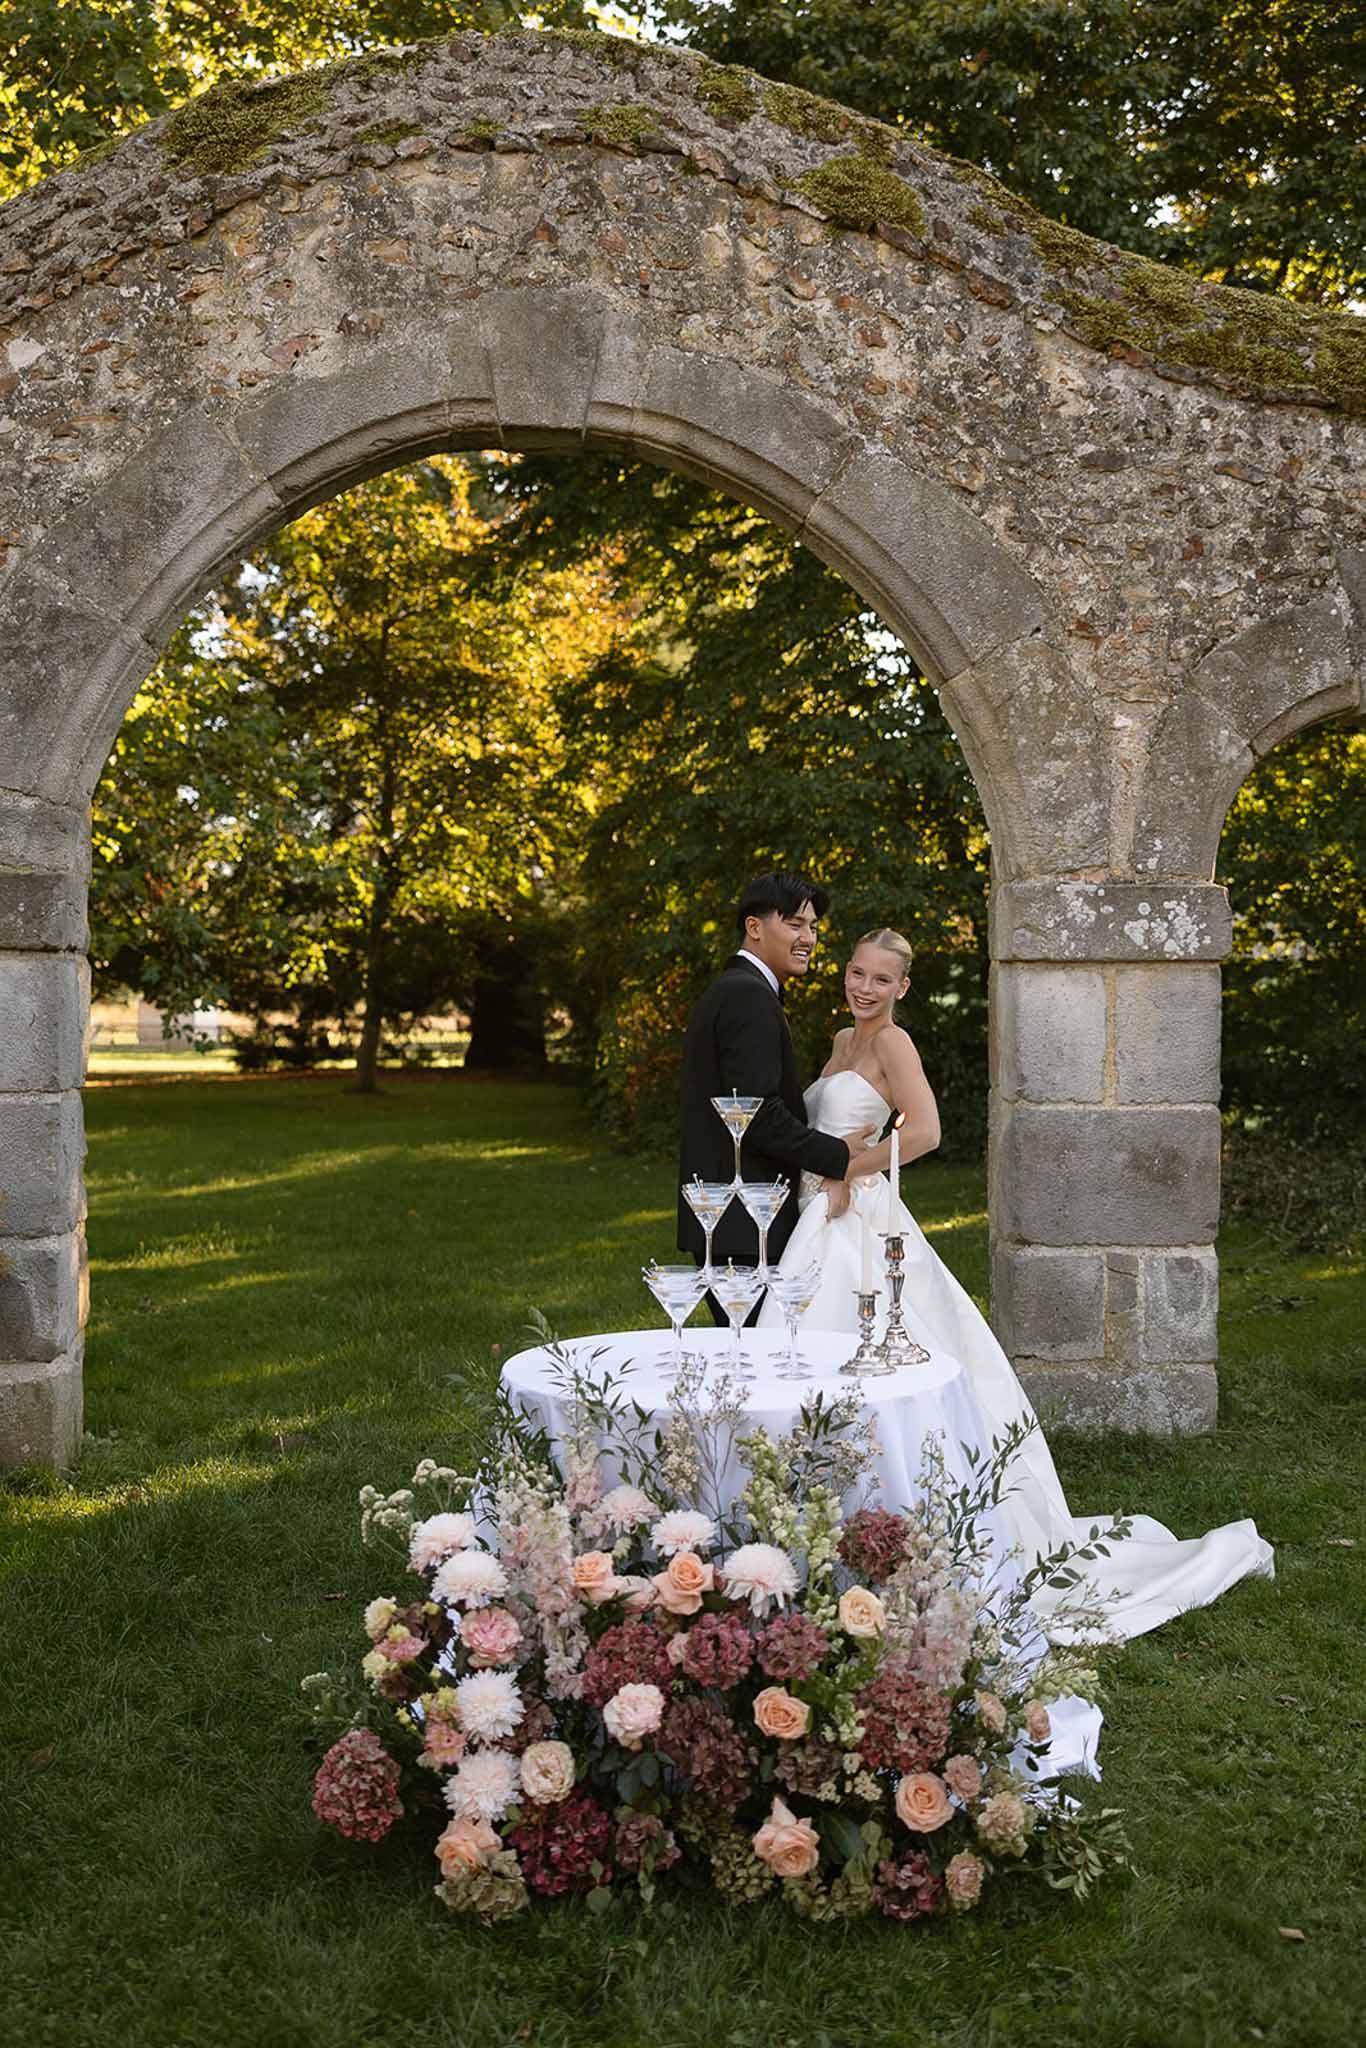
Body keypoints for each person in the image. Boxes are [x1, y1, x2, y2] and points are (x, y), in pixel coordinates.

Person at [758, 925, 1275, 1642]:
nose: (864, 987)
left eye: (881, 979)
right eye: (856, 972)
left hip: (859, 1215)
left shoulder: (893, 1044)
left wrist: (851, 1171)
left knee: (866, 1356)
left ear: (903, 987)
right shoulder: (844, 1042)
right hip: (824, 1214)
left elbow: (928, 1131)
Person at [677, 872, 884, 1320]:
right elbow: (756, 1115)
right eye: (794, 924)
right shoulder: (747, 998)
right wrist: (837, 1155)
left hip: (736, 1224)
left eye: (813, 927)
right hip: (743, 1224)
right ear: (755, 927)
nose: (808, 937)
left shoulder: (741, 991)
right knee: (759, 1362)